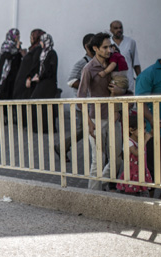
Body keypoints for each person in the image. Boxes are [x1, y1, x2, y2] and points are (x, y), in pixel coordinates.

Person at [78, 32, 124, 191]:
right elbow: (81, 98)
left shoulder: (114, 64)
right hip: (96, 119)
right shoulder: (88, 69)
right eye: (105, 47)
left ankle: (102, 183)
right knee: (98, 159)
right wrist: (88, 122)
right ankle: (92, 197)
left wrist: (119, 91)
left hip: (114, 117)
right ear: (95, 48)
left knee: (118, 158)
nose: (109, 50)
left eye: (110, 46)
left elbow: (123, 87)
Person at [56, 33, 95, 161]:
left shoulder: (97, 62)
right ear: (86, 46)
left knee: (84, 130)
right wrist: (88, 86)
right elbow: (71, 81)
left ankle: (62, 146)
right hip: (83, 104)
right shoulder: (82, 63)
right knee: (84, 130)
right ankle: (61, 146)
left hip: (92, 104)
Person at [136, 59, 161, 190]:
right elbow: (141, 102)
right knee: (153, 168)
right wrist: (153, 120)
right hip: (156, 132)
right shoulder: (148, 74)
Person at [116, 116, 153, 196]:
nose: (144, 131)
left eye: (145, 128)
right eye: (141, 129)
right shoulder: (128, 141)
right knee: (131, 195)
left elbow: (151, 134)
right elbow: (136, 153)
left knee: (143, 193)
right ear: (131, 130)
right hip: (131, 175)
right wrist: (145, 140)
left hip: (141, 172)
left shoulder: (140, 139)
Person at [30, 33, 58, 133]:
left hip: (48, 83)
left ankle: (47, 128)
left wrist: (40, 77)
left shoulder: (51, 53)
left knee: (45, 105)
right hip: (43, 81)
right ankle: (39, 127)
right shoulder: (44, 53)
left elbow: (50, 69)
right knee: (37, 102)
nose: (41, 43)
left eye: (42, 41)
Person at [12, 29, 44, 101]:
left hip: (26, 82)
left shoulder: (38, 49)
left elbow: (35, 64)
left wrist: (29, 77)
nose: (31, 39)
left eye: (32, 37)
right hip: (22, 81)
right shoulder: (33, 49)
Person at [110, 20, 140, 92]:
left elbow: (136, 63)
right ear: (111, 30)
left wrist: (140, 80)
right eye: (116, 28)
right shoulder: (108, 43)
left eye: (120, 28)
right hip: (112, 83)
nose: (119, 30)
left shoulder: (130, 42)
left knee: (129, 103)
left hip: (128, 82)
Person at [0, 28, 23, 100]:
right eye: (16, 35)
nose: (18, 36)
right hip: (5, 78)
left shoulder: (17, 48)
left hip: (14, 78)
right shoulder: (6, 47)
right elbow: (8, 57)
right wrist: (17, 50)